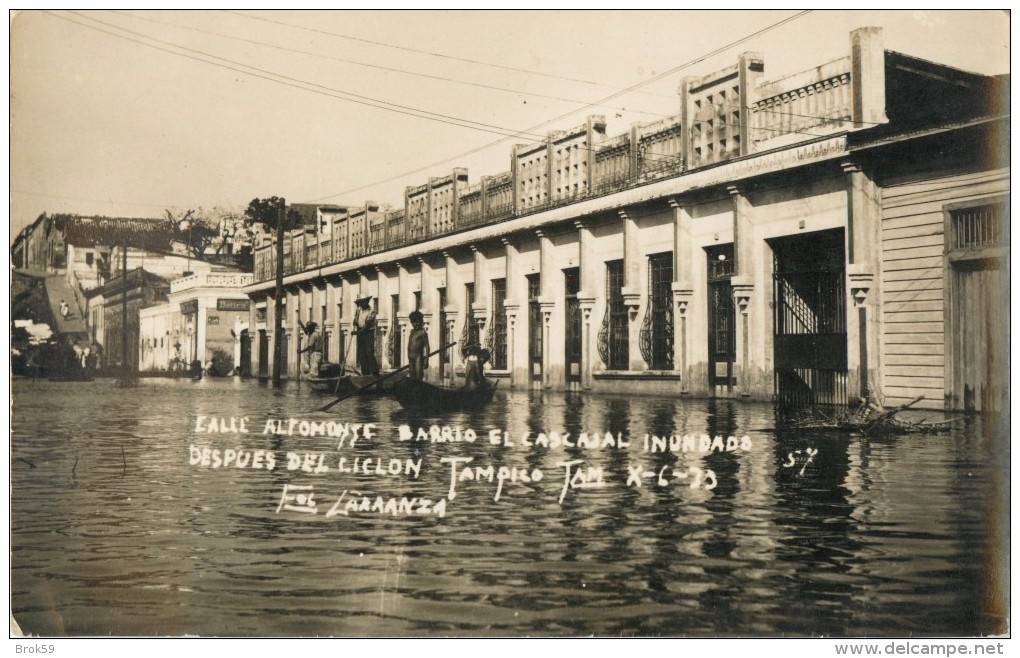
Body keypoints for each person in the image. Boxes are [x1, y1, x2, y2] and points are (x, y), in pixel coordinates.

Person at [353, 296, 379, 376]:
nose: (362, 303)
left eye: (364, 301)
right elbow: (356, 321)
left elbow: (367, 325)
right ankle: (365, 372)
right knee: (361, 353)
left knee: (369, 352)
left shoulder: (371, 312)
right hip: (361, 333)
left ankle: (375, 372)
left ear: (367, 302)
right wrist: (355, 322)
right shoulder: (358, 310)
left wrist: (357, 333)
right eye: (361, 302)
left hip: (368, 333)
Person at [406, 310, 430, 381]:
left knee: (418, 377)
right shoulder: (412, 331)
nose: (415, 324)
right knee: (412, 378)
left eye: (417, 322)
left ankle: (420, 391)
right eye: (413, 322)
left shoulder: (422, 332)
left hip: (418, 358)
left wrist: (426, 360)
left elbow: (427, 346)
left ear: (421, 321)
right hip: (410, 358)